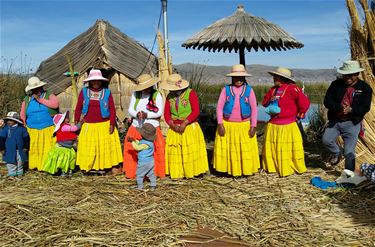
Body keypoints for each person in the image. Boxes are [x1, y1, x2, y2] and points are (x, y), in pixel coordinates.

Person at [322, 60, 372, 172]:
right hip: (335, 120)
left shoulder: (365, 88)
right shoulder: (336, 85)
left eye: (351, 75)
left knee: (349, 152)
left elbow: (365, 108)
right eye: (346, 75)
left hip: (352, 123)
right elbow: (327, 101)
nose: (348, 77)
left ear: (357, 74)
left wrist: (351, 110)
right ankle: (337, 153)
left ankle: (348, 176)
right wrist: (339, 107)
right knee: (326, 140)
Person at [262, 67, 310, 177]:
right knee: (274, 147)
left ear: (282, 78)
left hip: (288, 125)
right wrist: (270, 100)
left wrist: (299, 115)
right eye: (274, 76)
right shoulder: (272, 90)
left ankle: (289, 167)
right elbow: (264, 103)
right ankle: (274, 167)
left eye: (276, 76)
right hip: (273, 124)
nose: (274, 78)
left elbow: (304, 103)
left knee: (288, 148)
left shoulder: (293, 89)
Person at [212, 64, 260, 176]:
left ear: (244, 78)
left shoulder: (249, 90)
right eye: (236, 77)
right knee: (229, 149)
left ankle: (245, 169)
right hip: (228, 125)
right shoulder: (226, 90)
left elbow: (254, 109)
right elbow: (219, 107)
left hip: (244, 125)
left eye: (241, 77)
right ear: (232, 78)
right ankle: (229, 170)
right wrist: (220, 124)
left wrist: (253, 126)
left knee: (244, 148)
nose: (238, 80)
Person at [160, 74, 209, 179]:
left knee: (190, 150)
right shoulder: (170, 96)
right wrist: (172, 124)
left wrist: (184, 123)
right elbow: (166, 113)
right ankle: (178, 172)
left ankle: (193, 171)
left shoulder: (190, 93)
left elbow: (195, 111)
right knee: (176, 150)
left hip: (189, 127)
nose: (171, 90)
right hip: (174, 128)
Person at [74, 69, 122, 172]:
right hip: (89, 125)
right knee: (89, 147)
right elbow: (78, 107)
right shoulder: (84, 91)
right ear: (90, 81)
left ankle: (105, 166)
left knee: (104, 148)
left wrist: (112, 123)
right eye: (93, 80)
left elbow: (112, 109)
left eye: (98, 80)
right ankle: (88, 167)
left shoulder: (107, 92)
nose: (96, 83)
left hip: (104, 125)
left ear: (101, 81)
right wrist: (76, 121)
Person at [123, 74, 165, 179]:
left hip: (151, 128)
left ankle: (152, 173)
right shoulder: (136, 94)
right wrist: (136, 114)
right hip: (136, 127)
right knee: (134, 150)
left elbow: (159, 112)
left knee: (151, 151)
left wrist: (147, 115)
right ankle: (135, 173)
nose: (146, 89)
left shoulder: (156, 95)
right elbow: (131, 109)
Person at [20, 76, 59, 171]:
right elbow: (22, 112)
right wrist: (23, 121)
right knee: (34, 148)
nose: (36, 90)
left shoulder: (48, 95)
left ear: (41, 87)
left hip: (47, 128)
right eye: (34, 89)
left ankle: (47, 166)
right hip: (32, 129)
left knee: (48, 148)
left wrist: (40, 100)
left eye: (38, 88)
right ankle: (35, 166)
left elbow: (55, 104)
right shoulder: (27, 99)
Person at [128, 123, 157, 190]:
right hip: (150, 161)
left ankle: (140, 187)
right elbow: (140, 143)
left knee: (139, 175)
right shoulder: (149, 142)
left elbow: (137, 148)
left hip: (144, 162)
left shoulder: (145, 144)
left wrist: (132, 142)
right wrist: (134, 140)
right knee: (151, 173)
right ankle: (153, 185)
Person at [0, 112, 29, 177]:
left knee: (20, 162)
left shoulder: (22, 129)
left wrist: (26, 147)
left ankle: (19, 173)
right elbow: (1, 139)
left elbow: (26, 138)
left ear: (16, 121)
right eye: (8, 120)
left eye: (11, 120)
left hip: (20, 150)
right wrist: (2, 148)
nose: (8, 122)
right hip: (9, 150)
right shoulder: (5, 129)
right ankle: (12, 174)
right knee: (10, 162)